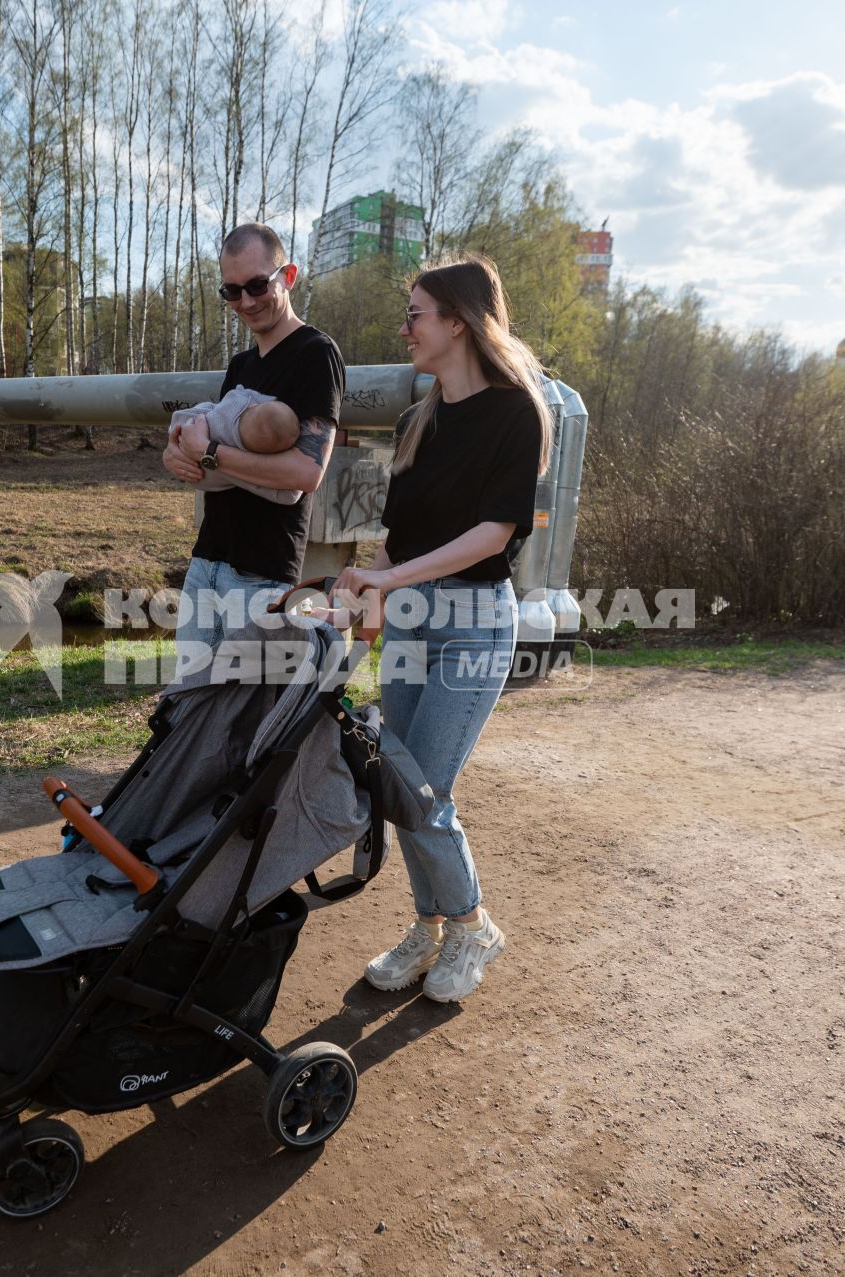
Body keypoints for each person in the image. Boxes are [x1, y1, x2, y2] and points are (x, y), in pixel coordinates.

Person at [333, 255, 551, 1004]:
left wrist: (392, 581)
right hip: (415, 622)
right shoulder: (415, 420)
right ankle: (428, 928)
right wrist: (362, 586)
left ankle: (471, 925)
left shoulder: (517, 412)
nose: (405, 328)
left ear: (457, 322)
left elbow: (494, 534)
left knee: (423, 789)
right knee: (401, 786)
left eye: (415, 314)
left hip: (475, 623)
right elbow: (401, 538)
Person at [164, 223, 343, 668]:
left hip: (261, 572)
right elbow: (206, 439)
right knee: (190, 704)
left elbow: (306, 473)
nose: (246, 301)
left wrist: (209, 455)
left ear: (289, 276)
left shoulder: (316, 354)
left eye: (258, 285)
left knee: (247, 717)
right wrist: (175, 452)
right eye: (232, 291)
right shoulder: (241, 365)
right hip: (208, 557)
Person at [168, 389, 306, 505]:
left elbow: (241, 392)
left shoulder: (236, 404)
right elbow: (290, 495)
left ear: (253, 405)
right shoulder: (248, 470)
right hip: (204, 480)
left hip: (191, 439)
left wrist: (179, 442)